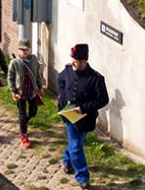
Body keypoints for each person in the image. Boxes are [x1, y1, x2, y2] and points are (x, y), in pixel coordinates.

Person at [57, 44, 109, 189]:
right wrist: (62, 97)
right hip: (69, 115)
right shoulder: (67, 70)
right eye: (73, 59)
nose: (74, 62)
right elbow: (60, 80)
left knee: (76, 144)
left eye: (77, 60)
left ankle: (67, 161)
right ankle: (83, 177)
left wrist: (84, 108)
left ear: (84, 61)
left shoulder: (96, 78)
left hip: (86, 118)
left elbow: (103, 99)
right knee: (75, 146)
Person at [8, 39, 44, 148]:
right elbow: (10, 77)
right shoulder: (14, 62)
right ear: (19, 49)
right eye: (22, 49)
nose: (24, 51)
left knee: (33, 112)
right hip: (21, 93)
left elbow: (38, 74)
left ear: (29, 49)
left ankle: (23, 122)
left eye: (26, 49)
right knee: (22, 114)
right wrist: (13, 91)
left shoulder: (33, 59)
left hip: (32, 91)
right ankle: (24, 135)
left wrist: (40, 87)